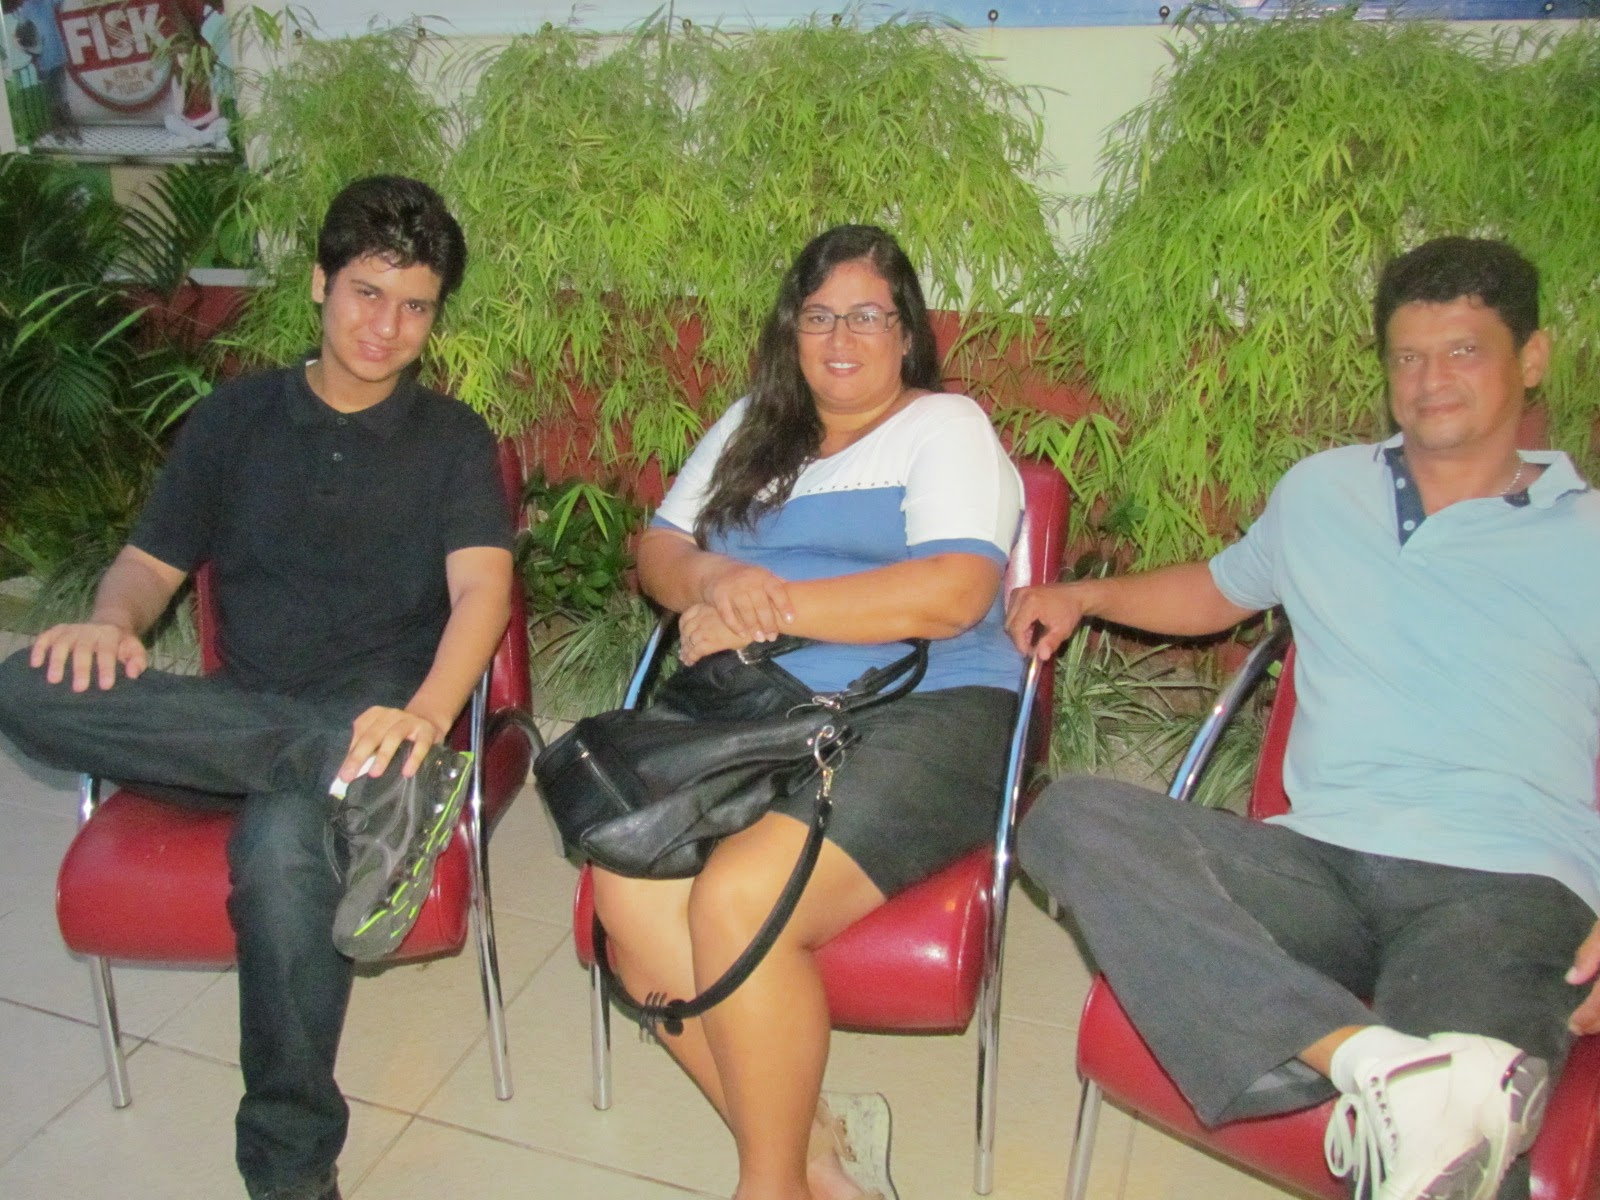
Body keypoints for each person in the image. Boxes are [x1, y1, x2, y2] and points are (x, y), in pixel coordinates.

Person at [1006, 236, 1600, 1200]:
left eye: (1463, 352)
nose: (1431, 381)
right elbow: (1219, 590)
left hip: (1505, 885)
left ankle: (1377, 1078)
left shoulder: (1588, 535)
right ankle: (1368, 1061)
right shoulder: (1324, 490)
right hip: (1316, 860)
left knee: (1447, 1162)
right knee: (1070, 818)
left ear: (1531, 359)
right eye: (1408, 357)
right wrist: (1086, 594)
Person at [0, 175, 513, 1200]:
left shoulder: (453, 441)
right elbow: (149, 564)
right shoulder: (233, 420)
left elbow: (481, 595)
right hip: (238, 727)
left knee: (283, 857)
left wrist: (423, 717)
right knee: (27, 679)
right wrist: (110, 624)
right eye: (368, 293)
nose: (387, 327)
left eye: (415, 307)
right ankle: (331, 768)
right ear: (320, 283)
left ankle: (289, 1174)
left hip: (374, 724)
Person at [591, 223, 1025, 1200]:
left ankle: (772, 1183)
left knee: (737, 899)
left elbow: (954, 593)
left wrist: (764, 606)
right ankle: (820, 1151)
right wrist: (715, 578)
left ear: (906, 332)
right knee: (627, 884)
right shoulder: (753, 425)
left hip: (928, 707)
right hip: (760, 704)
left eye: (867, 315)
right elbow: (658, 551)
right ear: (791, 330)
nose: (840, 336)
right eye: (818, 316)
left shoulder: (945, 427)